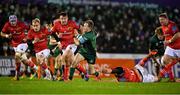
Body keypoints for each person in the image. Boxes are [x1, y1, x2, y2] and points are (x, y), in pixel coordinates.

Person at [50, 12, 79, 81]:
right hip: (63, 46)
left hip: (72, 45)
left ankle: (63, 76)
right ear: (59, 19)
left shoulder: (72, 23)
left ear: (67, 18)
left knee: (63, 58)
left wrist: (79, 36)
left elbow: (79, 29)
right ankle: (83, 72)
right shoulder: (56, 24)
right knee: (68, 62)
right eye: (62, 19)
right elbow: (52, 33)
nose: (63, 20)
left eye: (65, 18)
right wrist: (58, 40)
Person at [1, 15, 29, 80]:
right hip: (15, 44)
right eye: (11, 21)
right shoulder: (7, 25)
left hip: (22, 43)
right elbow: (1, 33)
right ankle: (35, 68)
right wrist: (6, 35)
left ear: (16, 20)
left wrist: (26, 36)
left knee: (17, 56)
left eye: (14, 21)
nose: (13, 23)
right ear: (9, 21)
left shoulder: (21, 24)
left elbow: (29, 29)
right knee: (22, 60)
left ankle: (17, 75)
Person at [158, 13, 180, 81]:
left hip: (178, 47)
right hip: (170, 47)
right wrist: (165, 42)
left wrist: (169, 41)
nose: (161, 21)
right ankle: (171, 78)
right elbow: (166, 36)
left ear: (167, 19)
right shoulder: (163, 26)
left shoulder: (172, 25)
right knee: (165, 60)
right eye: (160, 20)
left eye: (162, 19)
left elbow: (178, 34)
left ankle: (176, 60)